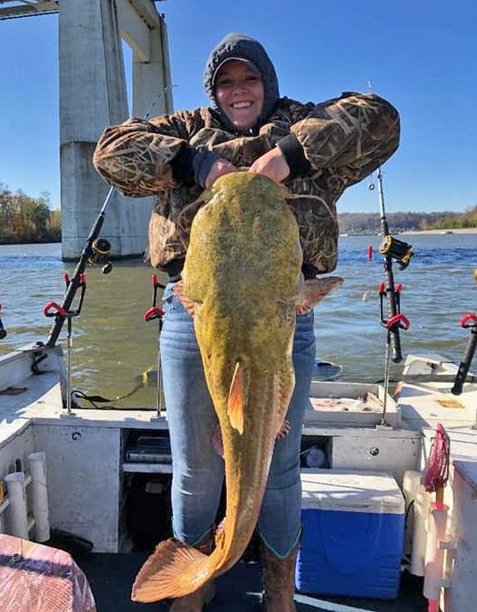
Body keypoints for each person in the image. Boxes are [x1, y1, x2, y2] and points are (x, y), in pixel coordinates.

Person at [93, 32, 400, 611]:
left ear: (269, 83)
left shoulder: (302, 123)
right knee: (196, 467)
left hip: (282, 313)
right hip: (196, 310)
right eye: (226, 82)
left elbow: (380, 119)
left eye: (249, 79)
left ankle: (279, 587)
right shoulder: (186, 128)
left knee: (277, 463)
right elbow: (110, 153)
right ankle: (195, 576)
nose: (239, 92)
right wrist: (193, 162)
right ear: (212, 91)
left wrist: (290, 156)